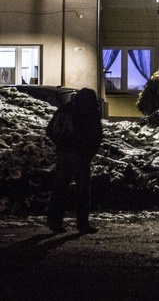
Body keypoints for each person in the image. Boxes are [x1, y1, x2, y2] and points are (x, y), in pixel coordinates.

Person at [45, 88, 103, 234]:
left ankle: (55, 222)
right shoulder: (89, 110)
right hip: (80, 154)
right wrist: (89, 152)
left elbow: (50, 129)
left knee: (60, 188)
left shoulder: (66, 108)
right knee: (82, 190)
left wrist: (60, 143)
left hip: (63, 153)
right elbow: (96, 135)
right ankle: (82, 224)